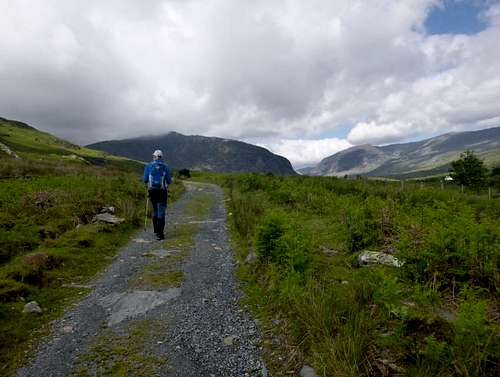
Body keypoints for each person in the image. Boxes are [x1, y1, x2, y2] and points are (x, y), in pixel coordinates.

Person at [143, 149, 172, 240]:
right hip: (162, 192)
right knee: (161, 211)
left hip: (152, 191)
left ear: (155, 157)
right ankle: (160, 234)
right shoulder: (165, 166)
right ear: (161, 157)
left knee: (155, 210)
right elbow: (169, 181)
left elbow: (145, 180)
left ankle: (156, 231)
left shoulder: (148, 166)